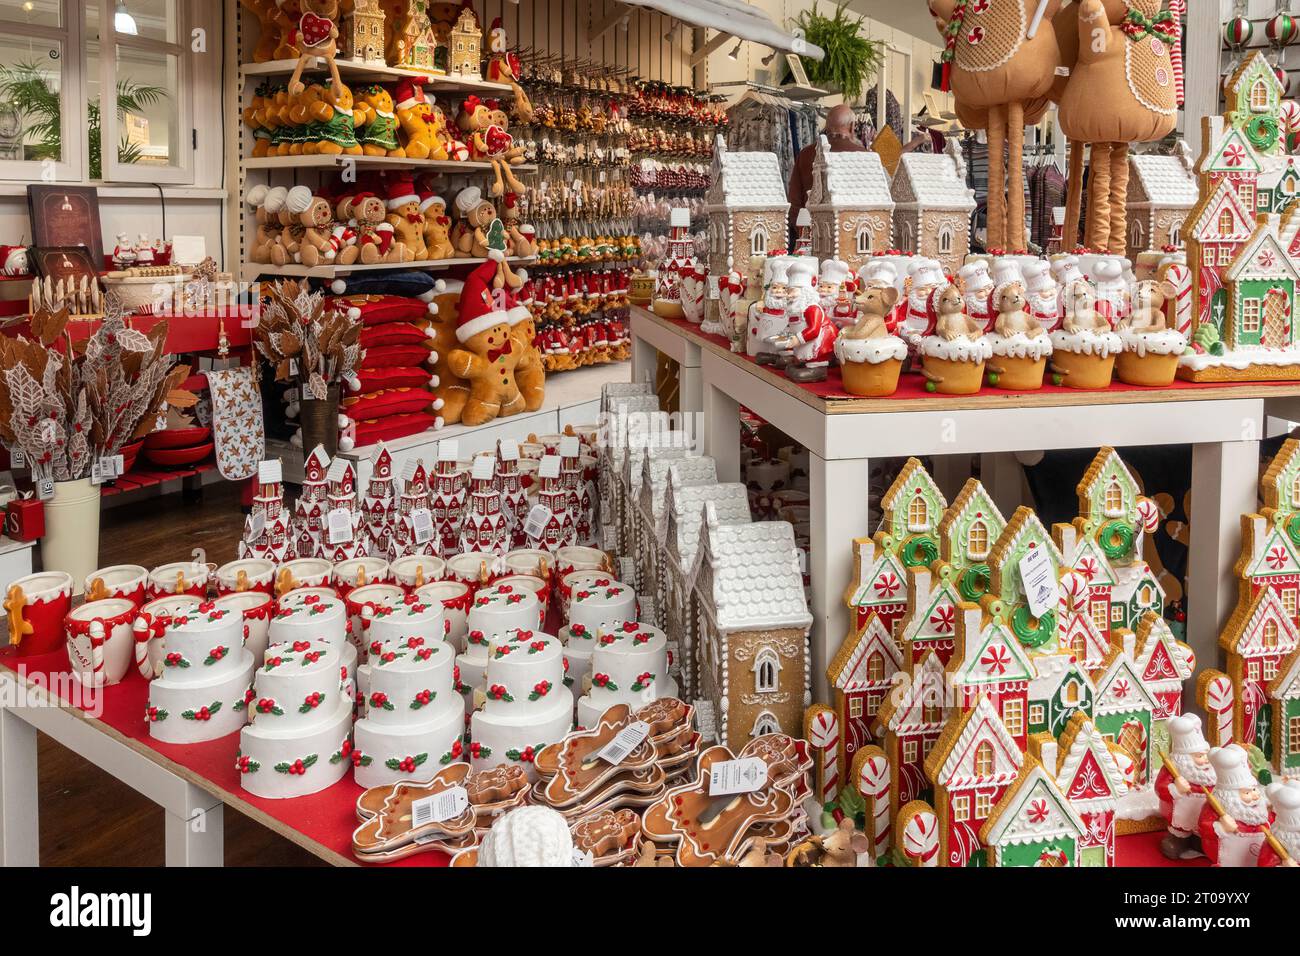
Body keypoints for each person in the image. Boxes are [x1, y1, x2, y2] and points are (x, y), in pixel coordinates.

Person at [786, 104, 866, 243]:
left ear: (827, 126)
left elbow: (794, 202)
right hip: (852, 237)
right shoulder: (863, 156)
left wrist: (803, 234)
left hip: (811, 235)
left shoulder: (806, 154)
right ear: (852, 126)